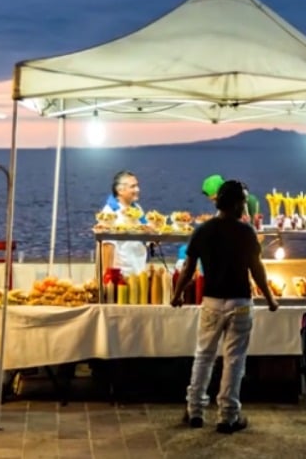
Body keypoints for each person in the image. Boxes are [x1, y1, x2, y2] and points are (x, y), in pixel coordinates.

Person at [172, 179, 278, 434]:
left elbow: (188, 268)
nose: (245, 205)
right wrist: (270, 298)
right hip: (240, 303)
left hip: (211, 302)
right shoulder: (246, 233)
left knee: (203, 356)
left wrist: (177, 294)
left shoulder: (203, 230)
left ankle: (195, 410)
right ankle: (227, 417)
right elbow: (257, 269)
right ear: (235, 203)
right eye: (242, 201)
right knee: (234, 360)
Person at [100, 170, 149, 275]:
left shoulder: (137, 209)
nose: (137, 189)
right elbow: (107, 246)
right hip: (122, 274)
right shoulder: (110, 212)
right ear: (120, 190)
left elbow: (146, 231)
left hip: (139, 271)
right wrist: (106, 276)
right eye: (133, 186)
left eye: (137, 186)